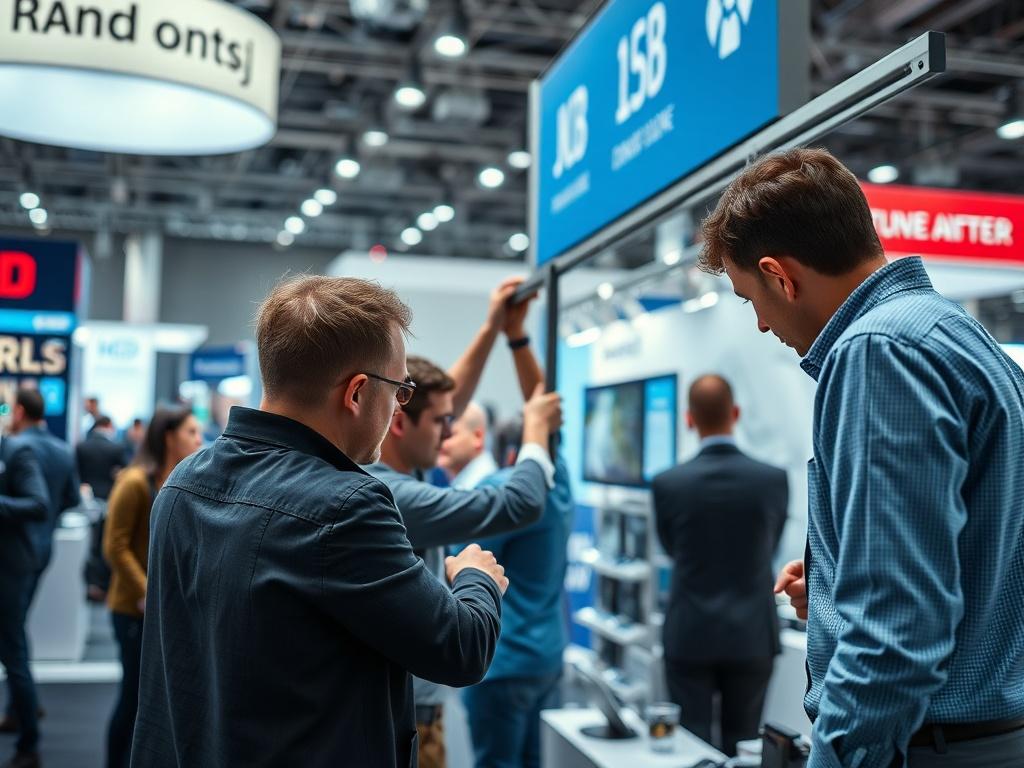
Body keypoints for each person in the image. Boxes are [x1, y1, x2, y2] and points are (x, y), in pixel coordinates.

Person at [701, 147, 1024, 767]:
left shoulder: (877, 351)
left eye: (750, 299)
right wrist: (835, 582)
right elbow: (980, 555)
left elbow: (895, 630)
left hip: (924, 748)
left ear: (779, 276)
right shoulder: (955, 333)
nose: (762, 324)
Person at [131, 275, 509, 768]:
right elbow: (461, 649)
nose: (399, 407)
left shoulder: (183, 482)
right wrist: (477, 578)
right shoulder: (347, 506)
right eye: (400, 390)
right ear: (357, 393)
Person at [365, 279, 562, 768]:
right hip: (409, 709)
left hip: (426, 699)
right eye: (441, 425)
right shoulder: (392, 493)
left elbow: (442, 399)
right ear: (399, 422)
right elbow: (518, 503)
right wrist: (535, 431)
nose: (448, 433)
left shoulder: (401, 472)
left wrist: (496, 329)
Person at [441, 294, 574, 768]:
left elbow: (456, 568)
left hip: (502, 663)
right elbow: (544, 404)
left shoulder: (501, 494)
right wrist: (517, 338)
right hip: (546, 658)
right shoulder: (559, 485)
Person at [652, 375, 787, 756]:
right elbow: (770, 546)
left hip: (689, 633)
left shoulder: (667, 483)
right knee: (743, 745)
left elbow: (671, 549)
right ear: (736, 413)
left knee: (691, 746)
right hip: (752, 636)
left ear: (689, 419)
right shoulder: (772, 480)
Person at [101, 406, 202, 768]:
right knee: (133, 698)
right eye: (191, 432)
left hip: (163, 607)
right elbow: (115, 546)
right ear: (168, 437)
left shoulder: (181, 481)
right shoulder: (134, 482)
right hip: (133, 608)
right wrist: (149, 591)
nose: (199, 440)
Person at [0, 390, 80, 736]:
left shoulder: (17, 448)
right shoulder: (62, 449)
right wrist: (45, 526)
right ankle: (20, 708)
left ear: (19, 411)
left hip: (14, 554)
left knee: (12, 638)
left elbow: (38, 502)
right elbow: (71, 498)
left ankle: (26, 719)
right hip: (40, 551)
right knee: (14, 631)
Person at [0, 431, 51, 768]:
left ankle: (29, 744)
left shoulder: (17, 452)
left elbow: (39, 503)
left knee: (14, 654)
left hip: (10, 569)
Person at [75, 416, 125, 501]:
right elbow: (125, 472)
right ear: (108, 425)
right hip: (109, 495)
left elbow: (75, 472)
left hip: (85, 495)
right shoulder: (116, 448)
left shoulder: (81, 447)